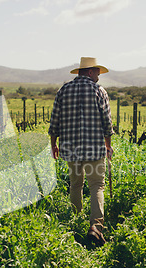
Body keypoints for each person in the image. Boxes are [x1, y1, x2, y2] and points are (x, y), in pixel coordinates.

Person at [48, 57, 114, 246]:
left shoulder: (63, 90)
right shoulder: (99, 91)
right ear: (90, 72)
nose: (99, 77)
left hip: (70, 148)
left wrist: (54, 144)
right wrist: (108, 145)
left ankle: (76, 221)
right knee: (97, 186)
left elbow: (55, 121)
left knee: (75, 185)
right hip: (94, 149)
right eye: (98, 73)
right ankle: (95, 227)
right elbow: (107, 123)